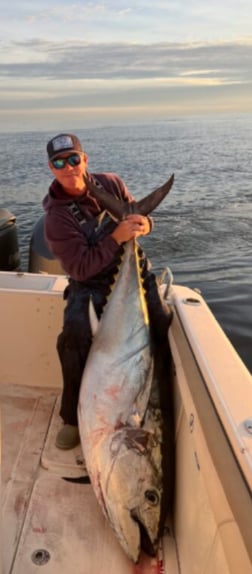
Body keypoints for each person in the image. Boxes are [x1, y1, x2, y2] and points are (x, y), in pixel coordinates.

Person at [43, 133, 172, 450]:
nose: (69, 167)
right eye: (60, 162)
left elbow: (141, 221)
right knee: (74, 340)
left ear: (85, 160)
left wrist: (144, 224)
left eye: (74, 159)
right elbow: (80, 268)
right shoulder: (56, 218)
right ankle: (73, 418)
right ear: (51, 168)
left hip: (134, 272)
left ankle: (157, 405)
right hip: (88, 284)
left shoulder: (111, 184)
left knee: (162, 323)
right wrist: (115, 237)